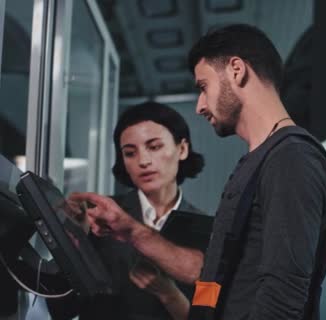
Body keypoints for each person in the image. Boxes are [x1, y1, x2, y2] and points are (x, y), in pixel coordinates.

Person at [70, 24, 326, 320]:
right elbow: (220, 279)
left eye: (203, 86)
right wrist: (132, 231)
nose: (200, 106)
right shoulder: (258, 162)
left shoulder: (291, 158)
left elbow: (283, 297)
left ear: (236, 70)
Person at [48, 102, 207, 320]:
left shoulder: (207, 230)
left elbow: (209, 315)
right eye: (130, 153)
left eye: (154, 147)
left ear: (182, 149)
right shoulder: (98, 218)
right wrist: (72, 243)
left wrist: (169, 294)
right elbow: (61, 310)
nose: (143, 161)